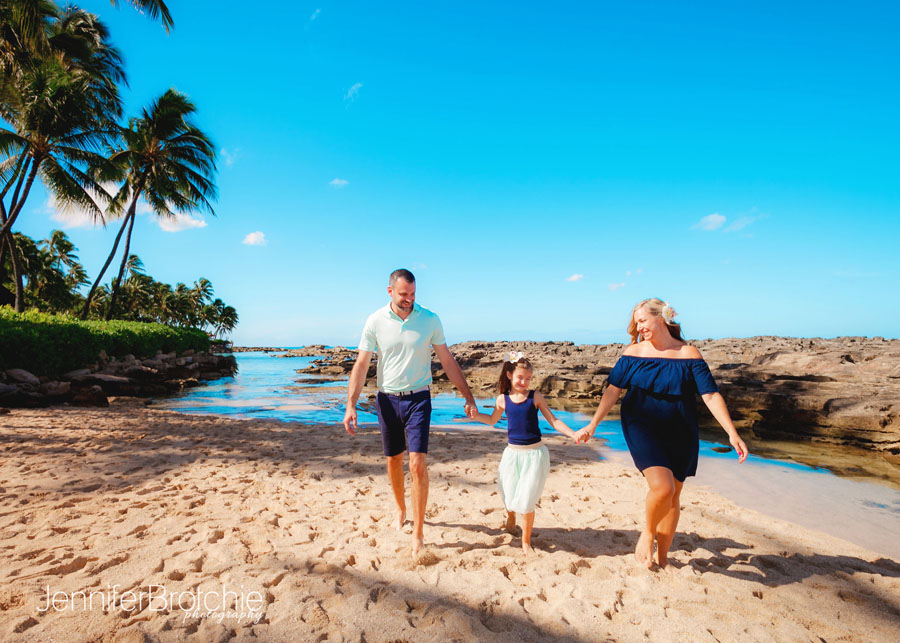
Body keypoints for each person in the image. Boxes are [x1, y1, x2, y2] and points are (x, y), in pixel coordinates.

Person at [575, 298, 749, 569]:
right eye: (637, 322)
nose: (639, 327)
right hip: (641, 423)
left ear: (662, 318)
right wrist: (593, 424)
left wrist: (732, 433)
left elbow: (711, 395)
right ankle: (647, 532)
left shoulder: (689, 354)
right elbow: (613, 390)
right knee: (663, 488)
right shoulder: (633, 352)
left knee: (674, 496)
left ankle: (663, 558)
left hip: (681, 427)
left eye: (642, 320)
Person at [343, 269, 477, 556]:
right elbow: (362, 364)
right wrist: (351, 405)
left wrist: (468, 395)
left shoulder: (430, 320)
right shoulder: (375, 321)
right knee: (393, 460)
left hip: (419, 399)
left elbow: (447, 360)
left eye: (413, 294)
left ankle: (418, 533)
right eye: (404, 294)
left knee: (417, 464)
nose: (409, 300)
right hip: (387, 400)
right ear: (390, 291)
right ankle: (401, 508)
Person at [467, 352, 579, 554]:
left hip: (535, 455)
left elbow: (553, 421)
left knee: (527, 499)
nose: (524, 382)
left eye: (528, 379)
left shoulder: (535, 397)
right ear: (509, 374)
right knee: (509, 493)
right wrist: (476, 416)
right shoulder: (502, 399)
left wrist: (573, 433)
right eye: (520, 378)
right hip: (512, 454)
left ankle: (526, 542)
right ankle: (511, 519)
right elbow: (492, 420)